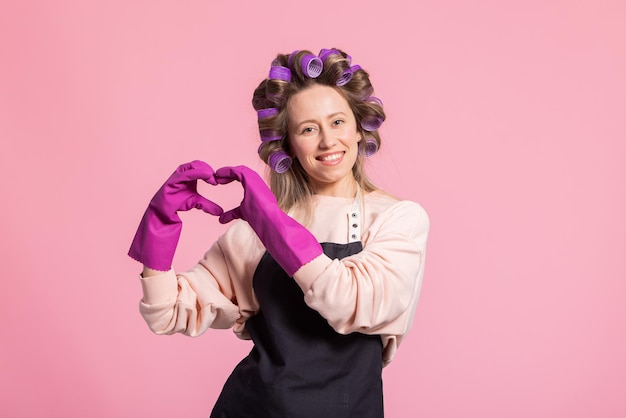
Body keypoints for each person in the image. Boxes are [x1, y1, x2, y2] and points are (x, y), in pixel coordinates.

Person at [128, 48, 430, 417]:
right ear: (288, 144)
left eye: (337, 122)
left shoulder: (398, 218)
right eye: (307, 129)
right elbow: (168, 313)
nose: (327, 141)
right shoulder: (254, 231)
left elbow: (353, 304)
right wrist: (158, 228)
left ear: (358, 126)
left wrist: (274, 226)